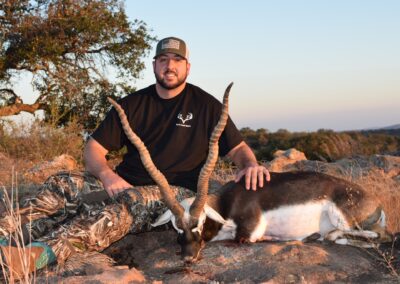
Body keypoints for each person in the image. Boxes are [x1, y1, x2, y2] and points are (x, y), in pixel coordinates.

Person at [0, 36, 270, 278]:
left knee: (126, 205)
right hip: (125, 182)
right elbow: (93, 149)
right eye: (163, 60)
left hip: (175, 194)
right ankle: (4, 236)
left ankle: (32, 258)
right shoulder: (133, 104)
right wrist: (107, 176)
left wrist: (250, 165)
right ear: (154, 65)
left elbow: (238, 149)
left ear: (188, 67)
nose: (169, 66)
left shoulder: (207, 105)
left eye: (177, 60)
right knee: (62, 183)